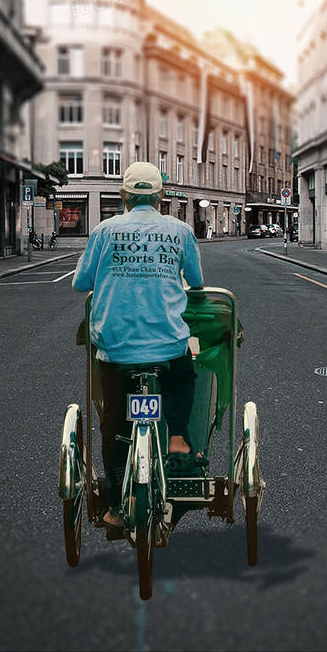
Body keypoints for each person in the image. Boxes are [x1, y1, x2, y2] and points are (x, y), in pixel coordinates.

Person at [72, 162, 204, 529]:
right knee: (183, 377)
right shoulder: (179, 230)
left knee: (114, 422)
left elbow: (81, 284)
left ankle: (115, 507)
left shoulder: (104, 231)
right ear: (161, 195)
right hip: (166, 345)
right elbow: (195, 282)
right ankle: (177, 438)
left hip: (116, 349)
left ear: (124, 196)